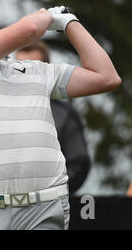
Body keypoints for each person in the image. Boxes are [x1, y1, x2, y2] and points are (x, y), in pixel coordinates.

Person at [0, 0, 121, 230]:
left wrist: (69, 22)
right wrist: (48, 16)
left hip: (45, 209)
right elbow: (31, 28)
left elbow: (106, 77)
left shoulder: (35, 70)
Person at [16, 41, 91, 195]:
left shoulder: (64, 116)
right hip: (2, 207)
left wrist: (48, 194)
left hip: (52, 207)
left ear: (46, 71)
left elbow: (78, 165)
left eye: (32, 68)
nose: (24, 73)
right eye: (18, 67)